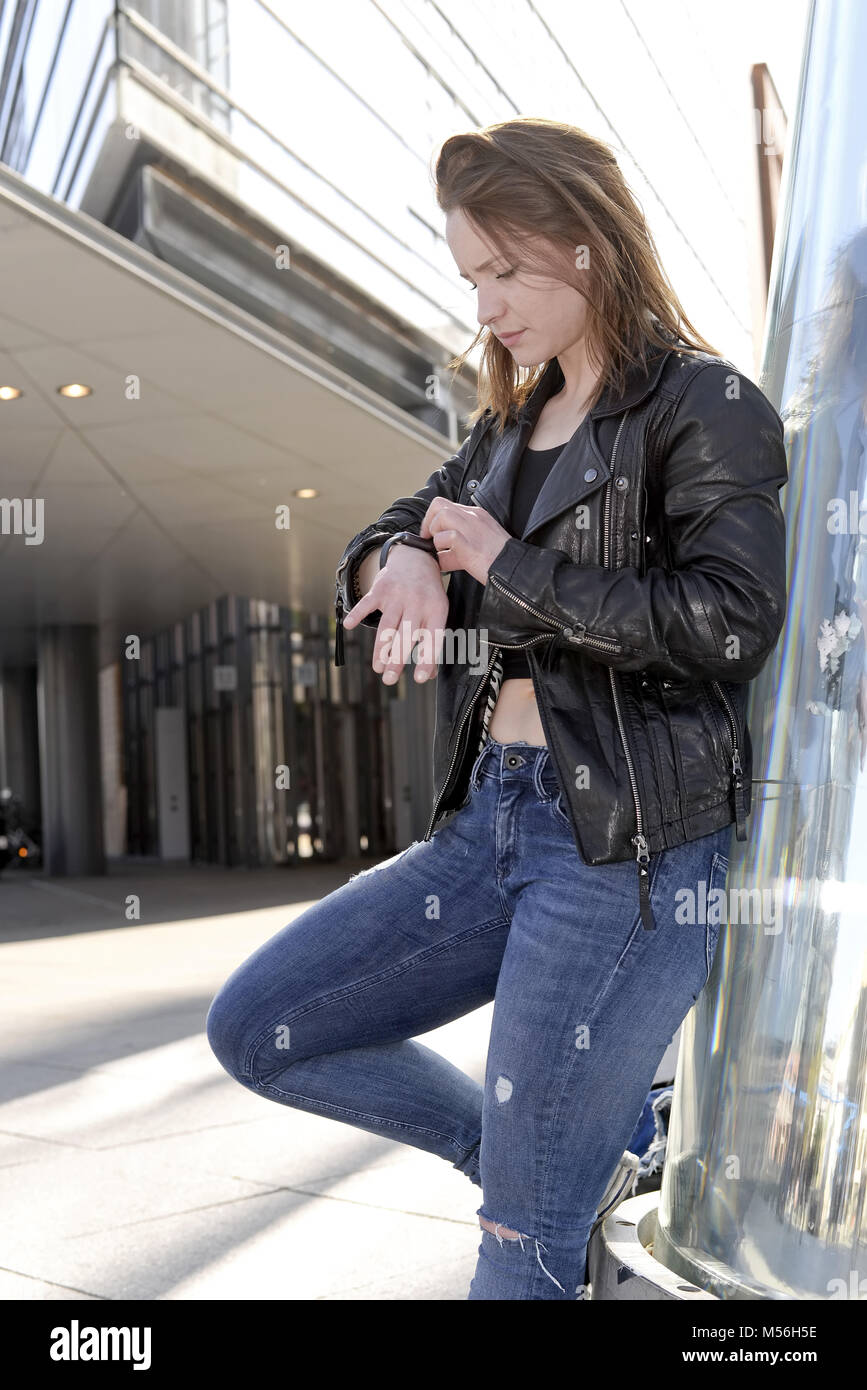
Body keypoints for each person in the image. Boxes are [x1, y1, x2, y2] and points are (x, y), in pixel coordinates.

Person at [206, 117, 788, 1299]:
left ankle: (543, 1193)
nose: (485, 306)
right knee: (261, 1024)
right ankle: (557, 1164)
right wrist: (402, 564)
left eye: (506, 270)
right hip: (492, 825)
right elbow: (396, 528)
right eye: (471, 276)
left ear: (587, 243)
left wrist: (507, 566)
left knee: (517, 1259)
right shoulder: (506, 429)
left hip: (627, 851)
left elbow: (732, 623)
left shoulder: (704, 404)